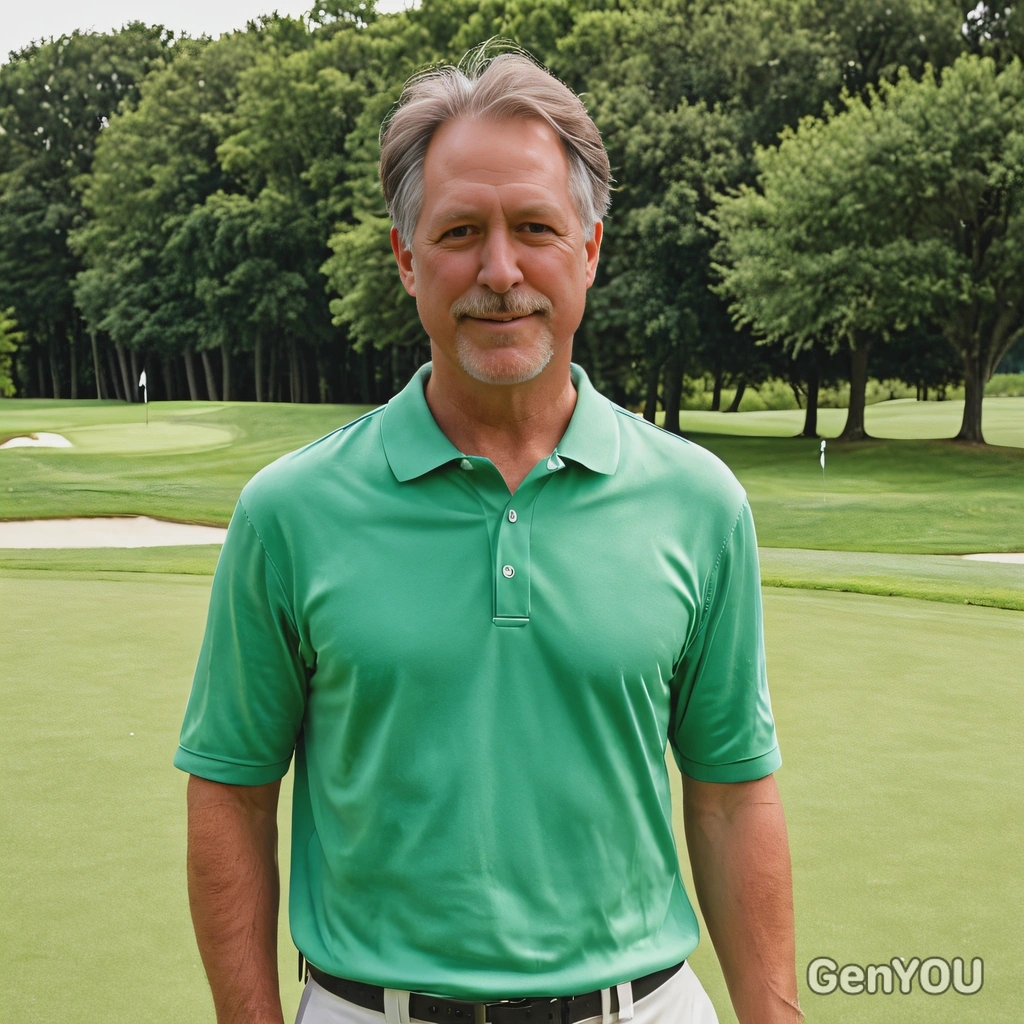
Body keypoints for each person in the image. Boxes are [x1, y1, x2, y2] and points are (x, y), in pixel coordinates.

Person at [175, 49, 803, 1024]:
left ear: (589, 249)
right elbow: (233, 794)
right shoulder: (288, 511)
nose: (500, 271)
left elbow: (729, 796)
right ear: (406, 258)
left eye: (537, 229)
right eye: (460, 231)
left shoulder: (699, 500)